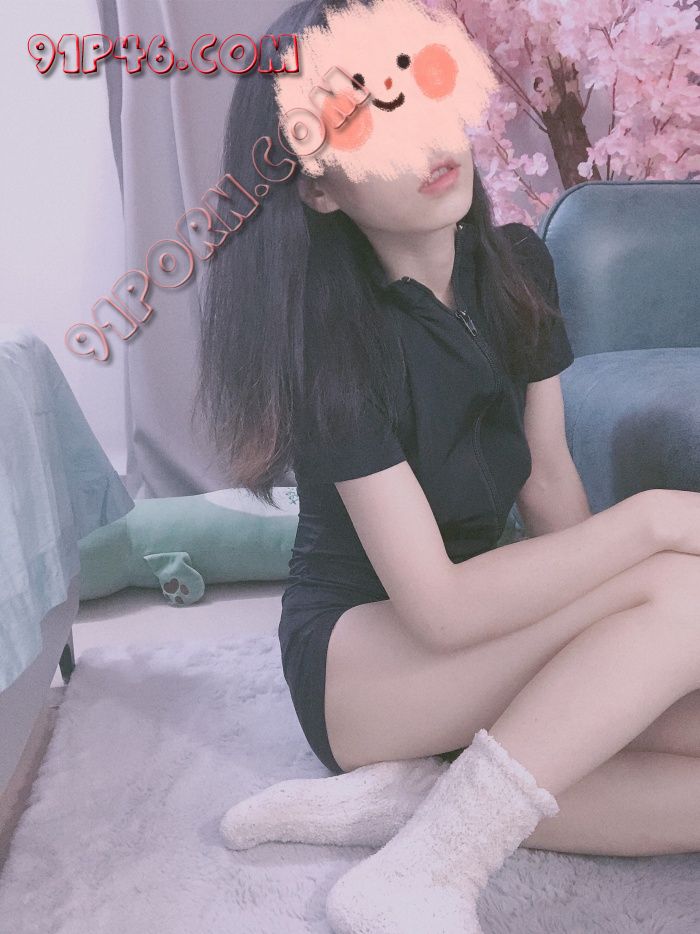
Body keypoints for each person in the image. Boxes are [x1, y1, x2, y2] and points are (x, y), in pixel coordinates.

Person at [197, 1, 700, 930]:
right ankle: (432, 863)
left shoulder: (517, 269)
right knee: (685, 591)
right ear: (319, 189)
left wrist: (620, 633)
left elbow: (548, 485)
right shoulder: (332, 341)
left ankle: (424, 796)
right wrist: (654, 525)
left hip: (481, 624)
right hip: (366, 662)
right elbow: (440, 607)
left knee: (675, 684)